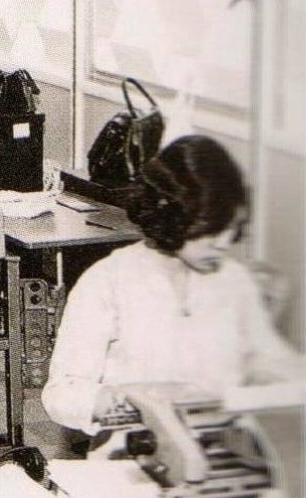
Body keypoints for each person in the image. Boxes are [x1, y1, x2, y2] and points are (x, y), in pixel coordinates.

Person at [42, 135, 304, 435]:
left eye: (230, 229)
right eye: (212, 230)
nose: (224, 244)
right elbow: (61, 394)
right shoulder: (107, 282)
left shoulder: (233, 279)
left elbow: (270, 360)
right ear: (174, 216)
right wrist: (136, 399)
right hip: (135, 450)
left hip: (225, 446)